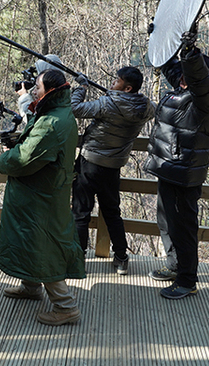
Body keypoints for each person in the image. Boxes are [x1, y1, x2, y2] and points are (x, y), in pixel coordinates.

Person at [145, 26, 209, 299]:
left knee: (183, 227)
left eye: (187, 75)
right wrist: (158, 37)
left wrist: (190, 53)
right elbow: (169, 65)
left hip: (184, 172)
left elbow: (198, 80)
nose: (180, 78)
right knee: (166, 222)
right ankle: (175, 266)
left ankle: (187, 280)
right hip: (168, 168)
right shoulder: (182, 87)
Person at [0, 69, 86, 326]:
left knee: (44, 246)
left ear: (51, 91)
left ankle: (65, 307)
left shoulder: (51, 123)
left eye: (38, 86)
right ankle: (31, 285)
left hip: (40, 196)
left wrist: (4, 158)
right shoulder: (56, 113)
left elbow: (23, 160)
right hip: (43, 191)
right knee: (31, 239)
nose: (34, 90)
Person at [71, 66, 155, 274]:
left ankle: (77, 258)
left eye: (116, 81)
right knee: (112, 212)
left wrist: (81, 87)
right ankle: (120, 257)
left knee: (80, 212)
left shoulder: (108, 104)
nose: (111, 83)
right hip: (114, 167)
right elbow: (152, 106)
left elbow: (74, 109)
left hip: (89, 164)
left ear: (127, 88)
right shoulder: (146, 107)